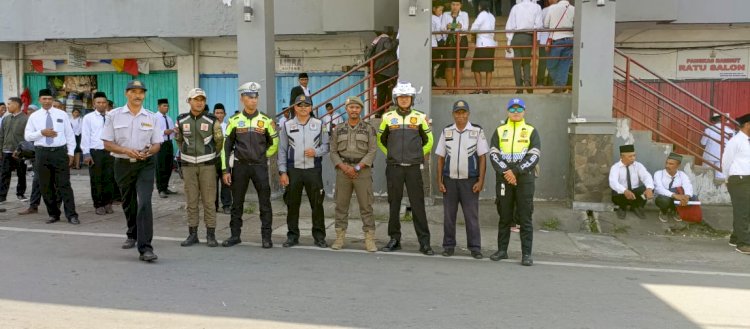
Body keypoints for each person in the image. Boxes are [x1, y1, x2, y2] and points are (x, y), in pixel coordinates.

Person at [101, 80, 163, 262]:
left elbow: (157, 144)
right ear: (126, 93)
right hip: (122, 163)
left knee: (144, 202)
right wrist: (126, 150)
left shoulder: (152, 117)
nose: (138, 95)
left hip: (145, 164)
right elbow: (107, 143)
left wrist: (148, 151)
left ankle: (145, 248)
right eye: (134, 92)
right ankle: (132, 233)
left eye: (141, 92)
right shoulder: (114, 116)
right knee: (128, 202)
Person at [377, 81, 434, 255]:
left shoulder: (419, 117)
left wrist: (416, 156)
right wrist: (391, 155)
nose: (404, 100)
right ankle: (395, 239)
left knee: (418, 205)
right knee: (394, 205)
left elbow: (429, 141)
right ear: (396, 98)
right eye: (401, 97)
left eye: (407, 97)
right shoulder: (387, 117)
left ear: (412, 99)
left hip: (413, 168)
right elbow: (381, 140)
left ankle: (424, 242)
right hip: (394, 168)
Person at [221, 82, 278, 248]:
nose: (253, 100)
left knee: (265, 203)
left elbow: (274, 143)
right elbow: (226, 147)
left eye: (255, 97)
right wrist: (226, 170)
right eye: (249, 97)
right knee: (236, 203)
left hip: (259, 167)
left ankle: (266, 237)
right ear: (242, 98)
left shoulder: (266, 120)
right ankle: (234, 235)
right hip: (240, 167)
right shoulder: (234, 121)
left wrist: (262, 156)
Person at [488, 98, 541, 266]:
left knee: (525, 217)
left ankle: (526, 254)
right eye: (512, 109)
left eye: (519, 109)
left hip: (524, 178)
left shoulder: (531, 130)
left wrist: (516, 171)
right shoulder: (499, 130)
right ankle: (502, 251)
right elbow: (494, 154)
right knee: (504, 216)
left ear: (524, 111)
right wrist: (506, 171)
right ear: (507, 111)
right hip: (504, 178)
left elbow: (534, 155)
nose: (516, 112)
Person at [435, 100, 487, 259]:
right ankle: (448, 245)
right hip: (450, 181)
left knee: (471, 216)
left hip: (469, 181)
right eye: (458, 112)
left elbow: (483, 158)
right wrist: (439, 181)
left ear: (468, 114)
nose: (461, 116)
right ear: (453, 114)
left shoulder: (477, 131)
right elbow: (440, 158)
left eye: (463, 112)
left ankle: (475, 247)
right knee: (449, 216)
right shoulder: (446, 131)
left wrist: (481, 181)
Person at [174, 88, 224, 248]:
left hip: (207, 165)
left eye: (202, 99)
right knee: (191, 201)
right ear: (189, 101)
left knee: (209, 201)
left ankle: (211, 235)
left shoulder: (212, 120)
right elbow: (179, 140)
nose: (199, 102)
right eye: (196, 99)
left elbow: (219, 142)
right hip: (188, 166)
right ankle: (192, 234)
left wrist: (210, 155)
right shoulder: (181, 120)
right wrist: (186, 154)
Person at [277, 94, 329, 248]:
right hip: (294, 170)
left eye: (306, 105)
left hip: (313, 169)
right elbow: (282, 150)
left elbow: (327, 146)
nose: (303, 108)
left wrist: (316, 152)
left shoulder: (320, 124)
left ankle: (319, 236)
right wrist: (283, 171)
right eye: (300, 105)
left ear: (311, 107)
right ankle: (292, 236)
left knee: (317, 204)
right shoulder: (287, 125)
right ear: (295, 107)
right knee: (292, 204)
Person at [329, 96, 378, 252]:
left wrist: (357, 168)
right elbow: (333, 151)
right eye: (351, 107)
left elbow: (372, 151)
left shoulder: (369, 129)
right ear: (346, 109)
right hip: (343, 171)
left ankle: (369, 239)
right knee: (341, 206)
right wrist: (344, 167)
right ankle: (339, 237)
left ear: (361, 110)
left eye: (357, 107)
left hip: (362, 171)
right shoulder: (338, 129)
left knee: (366, 206)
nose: (354, 110)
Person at [24, 88, 79, 225]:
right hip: (42, 153)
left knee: (64, 185)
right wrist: (41, 133)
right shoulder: (34, 116)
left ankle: (72, 215)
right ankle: (53, 214)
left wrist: (71, 152)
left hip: (60, 153)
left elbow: (69, 134)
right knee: (45, 186)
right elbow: (27, 136)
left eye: (49, 99)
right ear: (39, 100)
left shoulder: (62, 114)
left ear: (53, 100)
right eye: (44, 99)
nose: (47, 101)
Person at [81, 92, 117, 215]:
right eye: (98, 102)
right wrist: (86, 153)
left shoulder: (112, 116)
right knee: (96, 179)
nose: (101, 105)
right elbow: (85, 136)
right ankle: (98, 204)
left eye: (103, 102)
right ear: (94, 104)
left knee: (110, 178)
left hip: (111, 151)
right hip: (95, 152)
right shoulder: (88, 118)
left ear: (107, 103)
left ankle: (108, 203)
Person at [721, 113, 750, 254]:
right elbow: (726, 161)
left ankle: (735, 238)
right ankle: (743, 244)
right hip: (738, 179)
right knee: (743, 211)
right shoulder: (736, 141)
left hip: (747, 179)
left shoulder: (748, 141)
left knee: (745, 210)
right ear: (747, 125)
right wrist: (726, 178)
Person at [609, 144, 654, 220]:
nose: (633, 158)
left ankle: (636, 206)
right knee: (615, 193)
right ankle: (622, 207)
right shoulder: (615, 167)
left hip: (635, 194)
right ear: (622, 157)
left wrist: (649, 188)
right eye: (630, 156)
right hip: (622, 194)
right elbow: (613, 182)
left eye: (634, 155)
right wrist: (625, 191)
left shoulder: (638, 165)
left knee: (649, 188)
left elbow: (646, 176)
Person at [506, 0, 542, 94]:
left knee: (516, 63)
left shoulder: (515, 7)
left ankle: (519, 87)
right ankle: (527, 81)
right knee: (527, 61)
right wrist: (536, 40)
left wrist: (509, 41)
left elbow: (510, 25)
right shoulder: (536, 7)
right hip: (528, 37)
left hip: (516, 37)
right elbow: (538, 25)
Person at [653, 153, 697, 223]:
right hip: (664, 198)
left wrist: (687, 196)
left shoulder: (682, 174)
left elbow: (688, 185)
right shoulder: (658, 173)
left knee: (694, 198)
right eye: (666, 163)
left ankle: (676, 211)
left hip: (676, 200)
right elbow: (659, 188)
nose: (667, 166)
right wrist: (675, 195)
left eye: (671, 164)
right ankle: (663, 211)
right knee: (663, 200)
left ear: (678, 166)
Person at [0, 97, 29, 203]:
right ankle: (2, 196)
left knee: (21, 174)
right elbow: (1, 136)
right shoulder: (6, 119)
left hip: (20, 152)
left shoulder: (26, 119)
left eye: (9, 104)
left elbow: (28, 138)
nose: (7, 106)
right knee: (4, 174)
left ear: (16, 105)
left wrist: (24, 151)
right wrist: (1, 150)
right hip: (6, 150)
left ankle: (20, 194)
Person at [544, 0, 574, 92]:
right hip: (569, 40)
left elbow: (546, 24)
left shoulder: (552, 8)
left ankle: (559, 86)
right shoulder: (574, 9)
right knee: (564, 65)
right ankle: (560, 86)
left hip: (556, 40)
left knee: (550, 65)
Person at [366, 29, 399, 113]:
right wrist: (397, 41)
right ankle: (388, 110)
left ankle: (379, 112)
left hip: (379, 70)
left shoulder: (377, 40)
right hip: (386, 71)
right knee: (389, 91)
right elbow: (389, 47)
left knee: (381, 92)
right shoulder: (385, 39)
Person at [441, 1, 469, 94]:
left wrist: (453, 26)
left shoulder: (464, 14)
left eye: (457, 5)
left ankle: (456, 89)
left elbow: (465, 28)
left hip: (462, 40)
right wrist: (448, 26)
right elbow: (442, 28)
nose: (455, 7)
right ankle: (449, 89)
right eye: (453, 4)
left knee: (459, 66)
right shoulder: (445, 14)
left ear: (461, 5)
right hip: (450, 40)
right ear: (450, 5)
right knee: (448, 66)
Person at [470, 1, 497, 94]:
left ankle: (479, 89)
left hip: (482, 44)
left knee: (475, 67)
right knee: (489, 67)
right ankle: (487, 88)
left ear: (480, 6)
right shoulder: (492, 16)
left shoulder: (482, 14)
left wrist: (473, 33)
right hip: (491, 44)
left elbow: (474, 27)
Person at [701, 113, 735, 180]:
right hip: (723, 156)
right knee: (720, 175)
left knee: (706, 174)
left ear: (713, 120)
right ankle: (720, 189)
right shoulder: (730, 131)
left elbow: (703, 143)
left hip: (709, 155)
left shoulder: (708, 130)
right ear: (723, 120)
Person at [212, 103, 232, 214]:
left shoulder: (228, 127)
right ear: (214, 114)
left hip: (225, 159)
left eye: (221, 113)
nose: (219, 115)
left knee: (226, 182)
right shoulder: (210, 126)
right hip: (213, 158)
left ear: (225, 114)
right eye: (217, 113)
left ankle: (226, 205)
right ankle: (214, 206)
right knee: (212, 183)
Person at [155, 98, 176, 198]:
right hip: (160, 144)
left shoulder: (169, 118)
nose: (166, 108)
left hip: (169, 143)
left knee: (169, 166)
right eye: (164, 106)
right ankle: (160, 189)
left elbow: (172, 131)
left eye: (167, 106)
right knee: (161, 167)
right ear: (158, 107)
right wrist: (164, 132)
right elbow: (152, 132)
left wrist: (175, 131)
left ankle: (165, 187)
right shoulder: (155, 118)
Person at [536, 0, 552, 86]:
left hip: (543, 39)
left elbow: (539, 25)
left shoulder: (544, 10)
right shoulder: (547, 10)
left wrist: (538, 39)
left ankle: (540, 82)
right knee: (553, 61)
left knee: (543, 61)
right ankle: (550, 82)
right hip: (553, 39)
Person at [431, 2, 446, 87]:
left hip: (429, 43)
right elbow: (439, 31)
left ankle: (432, 79)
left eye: (442, 10)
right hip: (433, 44)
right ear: (434, 9)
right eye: (439, 10)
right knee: (433, 63)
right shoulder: (435, 18)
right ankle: (432, 80)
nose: (441, 12)